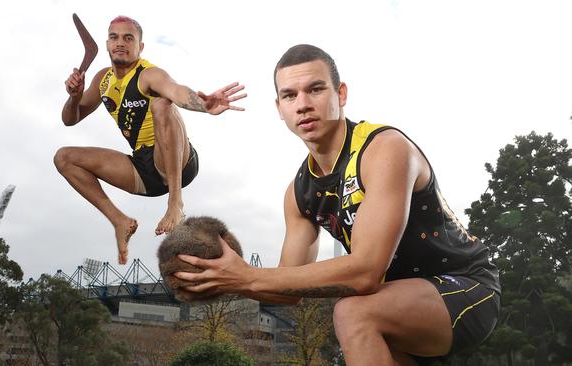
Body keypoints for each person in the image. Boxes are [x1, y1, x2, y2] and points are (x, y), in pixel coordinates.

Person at [174, 44, 500, 365]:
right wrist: (218, 278)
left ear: (341, 94)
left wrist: (246, 278)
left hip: (465, 286)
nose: (302, 105)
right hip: (395, 303)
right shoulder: (299, 193)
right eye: (290, 95)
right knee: (358, 318)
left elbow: (365, 272)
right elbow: (288, 286)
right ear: (279, 107)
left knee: (353, 312)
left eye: (315, 89)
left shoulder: (384, 150)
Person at [55, 16, 245, 265]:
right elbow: (70, 119)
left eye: (128, 38)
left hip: (177, 162)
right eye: (114, 37)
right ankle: (119, 220)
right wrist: (75, 96)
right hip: (144, 170)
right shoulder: (103, 79)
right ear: (107, 43)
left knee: (162, 104)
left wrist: (203, 105)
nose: (120, 43)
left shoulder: (148, 74)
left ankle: (175, 203)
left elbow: (176, 91)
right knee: (64, 158)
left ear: (140, 46)